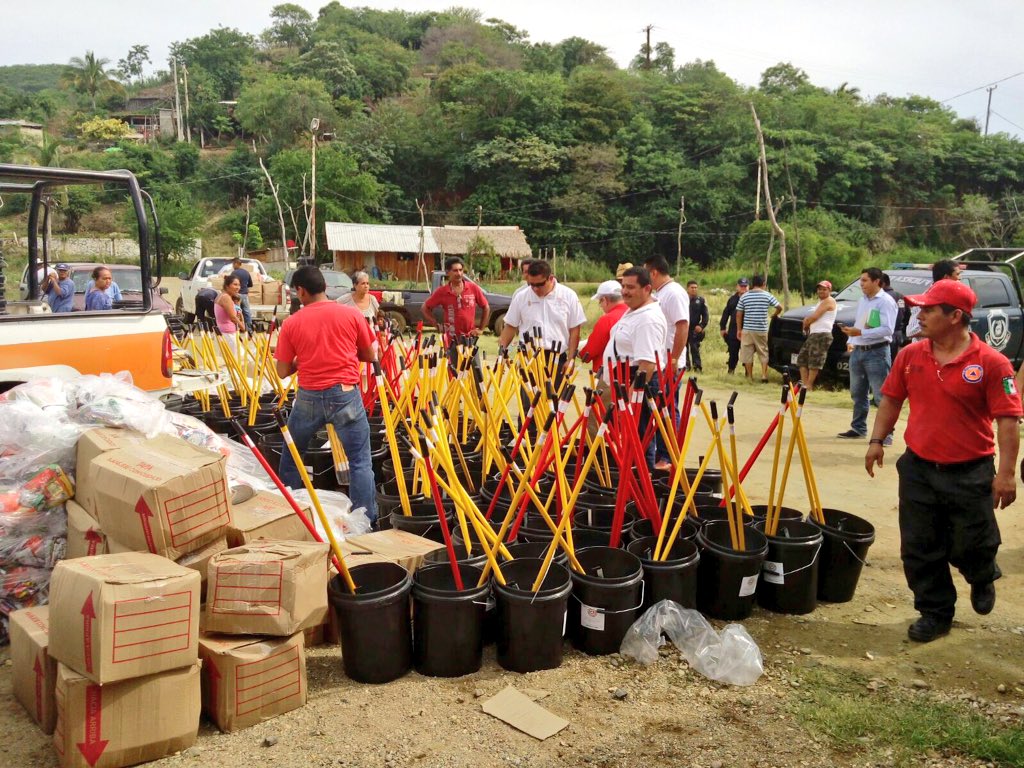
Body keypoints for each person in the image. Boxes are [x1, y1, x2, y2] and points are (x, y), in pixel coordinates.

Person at [865, 280, 1020, 643]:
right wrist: (876, 440)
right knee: (920, 546)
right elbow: (890, 400)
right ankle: (935, 612)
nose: (920, 315)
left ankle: (981, 573)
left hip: (971, 470)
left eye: (929, 310)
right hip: (919, 467)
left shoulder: (991, 364)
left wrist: (1008, 474)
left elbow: (1008, 421)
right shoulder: (910, 355)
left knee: (972, 542)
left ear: (955, 316)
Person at [275, 266, 377, 521]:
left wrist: (302, 361)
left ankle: (293, 517)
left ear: (300, 291)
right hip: (345, 394)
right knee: (360, 462)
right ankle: (365, 521)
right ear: (325, 287)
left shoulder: (292, 322)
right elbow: (370, 355)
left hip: (309, 396)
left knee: (292, 458)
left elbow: (282, 371)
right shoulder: (351, 315)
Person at [603, 267, 667, 471]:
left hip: (637, 382)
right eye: (623, 286)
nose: (624, 291)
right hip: (624, 379)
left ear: (647, 288)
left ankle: (641, 485)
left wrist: (629, 400)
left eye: (631, 287)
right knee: (630, 441)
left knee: (638, 441)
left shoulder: (647, 319)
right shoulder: (635, 310)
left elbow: (647, 365)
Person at [837, 267, 898, 440]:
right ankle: (858, 428)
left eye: (864, 280)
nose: (861, 284)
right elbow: (861, 322)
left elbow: (887, 329)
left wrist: (860, 334)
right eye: (860, 280)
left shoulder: (885, 301)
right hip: (859, 350)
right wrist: (851, 340)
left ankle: (886, 434)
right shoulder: (863, 300)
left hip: (877, 351)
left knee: (880, 395)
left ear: (876, 281)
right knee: (857, 392)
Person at [499, 260, 586, 358]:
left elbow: (575, 329)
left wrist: (571, 359)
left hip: (557, 357)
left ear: (551, 278)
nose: (535, 289)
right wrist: (501, 354)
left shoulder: (569, 296)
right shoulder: (521, 297)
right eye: (532, 284)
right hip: (527, 357)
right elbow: (510, 326)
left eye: (539, 284)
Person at [422, 257, 489, 344]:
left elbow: (486, 307)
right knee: (452, 358)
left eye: (461, 270)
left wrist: (481, 329)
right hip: (451, 340)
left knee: (472, 358)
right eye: (455, 270)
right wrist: (436, 325)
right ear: (447, 272)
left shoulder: (473, 288)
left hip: (470, 338)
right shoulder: (442, 291)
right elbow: (425, 308)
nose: (459, 273)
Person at [736, 275, 781, 382]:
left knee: (747, 352)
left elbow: (739, 313)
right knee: (763, 351)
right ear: (763, 284)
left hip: (747, 329)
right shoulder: (767, 295)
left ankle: (750, 377)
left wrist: (739, 329)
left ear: (752, 284)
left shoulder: (745, 296)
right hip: (761, 329)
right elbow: (779, 307)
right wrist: (775, 314)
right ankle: (764, 375)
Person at [579, 280, 628, 373]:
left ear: (605, 300)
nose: (600, 306)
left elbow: (591, 349)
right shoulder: (632, 313)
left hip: (608, 372)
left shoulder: (607, 319)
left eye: (600, 302)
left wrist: (580, 354)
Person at [905, 259, 962, 341]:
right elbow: (911, 331)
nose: (959, 278)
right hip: (925, 352)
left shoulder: (955, 298)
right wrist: (938, 328)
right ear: (946, 277)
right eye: (957, 274)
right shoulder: (924, 299)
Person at [797, 280, 838, 390]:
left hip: (822, 333)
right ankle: (804, 385)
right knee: (802, 359)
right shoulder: (820, 302)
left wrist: (806, 322)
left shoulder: (829, 301)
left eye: (824, 289)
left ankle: (809, 385)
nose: (821, 291)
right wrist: (807, 322)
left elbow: (814, 317)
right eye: (819, 289)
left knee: (815, 361)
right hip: (814, 333)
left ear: (830, 290)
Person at [719, 278, 749, 374]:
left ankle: (748, 373)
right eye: (741, 286)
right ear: (737, 286)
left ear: (748, 287)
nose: (743, 288)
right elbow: (726, 313)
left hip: (748, 330)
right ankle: (731, 371)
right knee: (733, 352)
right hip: (733, 330)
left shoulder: (751, 298)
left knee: (747, 353)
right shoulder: (732, 299)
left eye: (745, 286)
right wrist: (722, 328)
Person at [221, 257, 254, 333]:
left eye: (233, 264)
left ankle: (237, 328)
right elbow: (250, 284)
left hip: (236, 295)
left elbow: (230, 283)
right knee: (246, 311)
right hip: (244, 295)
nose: (232, 266)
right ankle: (249, 329)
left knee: (236, 311)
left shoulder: (234, 273)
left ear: (236, 264)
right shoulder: (246, 272)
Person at [214, 274, 244, 356]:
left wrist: (237, 304)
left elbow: (237, 314)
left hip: (224, 332)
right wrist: (244, 328)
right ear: (227, 286)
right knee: (236, 359)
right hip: (228, 333)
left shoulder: (222, 295)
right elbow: (233, 318)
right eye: (235, 284)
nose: (238, 287)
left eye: (239, 285)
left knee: (230, 359)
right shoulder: (226, 297)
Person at [881, 272, 908, 362]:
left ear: (883, 283)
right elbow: (908, 315)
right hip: (899, 335)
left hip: (887, 335)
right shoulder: (900, 296)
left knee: (887, 364)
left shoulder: (883, 297)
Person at [685, 280, 709, 373]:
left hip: (695, 328)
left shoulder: (701, 300)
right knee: (684, 349)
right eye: (692, 287)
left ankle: (697, 367)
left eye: (695, 287)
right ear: (687, 288)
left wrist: (701, 326)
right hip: (684, 327)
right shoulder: (683, 299)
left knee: (695, 348)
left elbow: (705, 315)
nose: (694, 289)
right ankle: (686, 366)